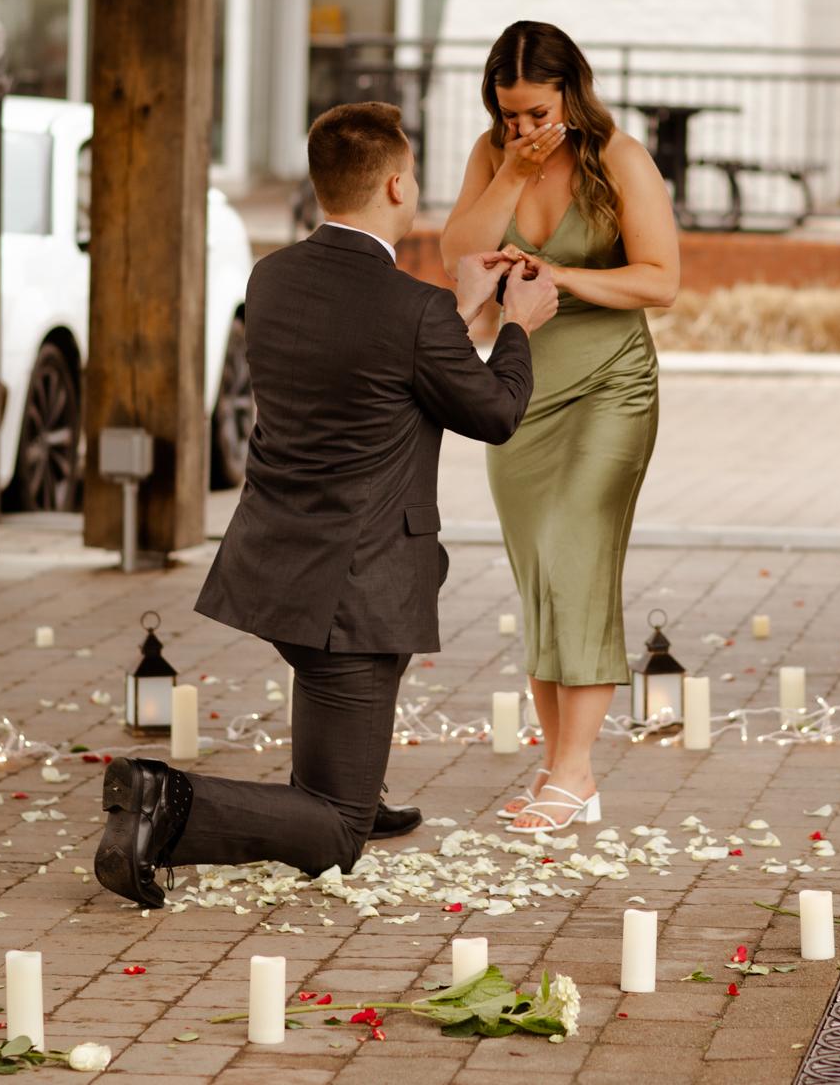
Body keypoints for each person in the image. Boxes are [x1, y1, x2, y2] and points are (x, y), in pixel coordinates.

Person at [93, 100, 557, 909]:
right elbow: (494, 412)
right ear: (397, 185)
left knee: (347, 683)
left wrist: (458, 308)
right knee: (336, 832)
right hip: (355, 582)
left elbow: (369, 366)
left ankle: (352, 785)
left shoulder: (273, 278)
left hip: (279, 561)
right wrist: (515, 325)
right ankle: (166, 803)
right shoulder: (411, 310)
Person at [441, 22, 679, 832]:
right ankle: (557, 768)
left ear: (570, 95)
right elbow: (458, 256)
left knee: (577, 552)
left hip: (611, 384)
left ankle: (576, 770)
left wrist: (562, 275)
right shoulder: (492, 155)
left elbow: (661, 280)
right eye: (509, 114)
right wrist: (511, 171)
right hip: (521, 389)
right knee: (541, 573)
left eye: (536, 113)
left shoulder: (620, 157)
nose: (523, 127)